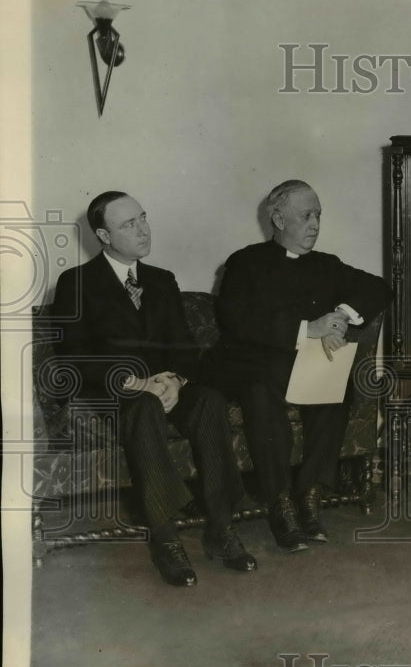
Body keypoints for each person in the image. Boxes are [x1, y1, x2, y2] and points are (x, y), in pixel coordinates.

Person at [51, 192, 256, 587]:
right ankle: (165, 539)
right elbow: (74, 358)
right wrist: (136, 382)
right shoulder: (76, 282)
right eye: (129, 224)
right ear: (103, 235)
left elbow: (185, 348)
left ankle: (220, 528)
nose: (143, 229)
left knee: (209, 399)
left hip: (163, 386)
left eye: (143, 218)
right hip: (112, 394)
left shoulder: (162, 281)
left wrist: (175, 380)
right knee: (144, 407)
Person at [210, 179, 391, 552]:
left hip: (301, 368)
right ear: (277, 218)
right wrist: (310, 329)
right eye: (306, 216)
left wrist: (340, 317)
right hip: (253, 365)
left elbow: (379, 287)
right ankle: (280, 503)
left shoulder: (327, 265)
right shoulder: (245, 262)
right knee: (261, 391)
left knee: (335, 386)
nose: (315, 225)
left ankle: (308, 494)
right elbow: (238, 321)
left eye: (318, 216)